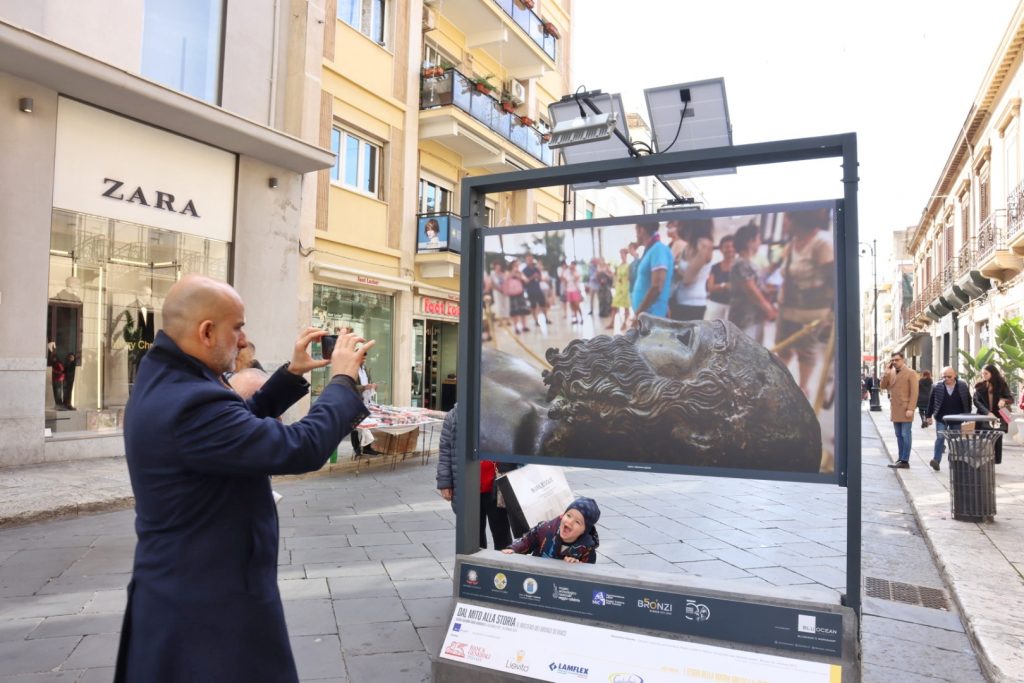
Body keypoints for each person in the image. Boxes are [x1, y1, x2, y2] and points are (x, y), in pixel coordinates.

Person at [113, 274, 373, 683]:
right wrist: (342, 382)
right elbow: (298, 447)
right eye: (237, 327)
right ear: (206, 331)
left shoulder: (169, 380)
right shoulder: (191, 402)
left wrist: (289, 375)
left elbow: (236, 427)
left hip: (189, 593)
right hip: (207, 610)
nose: (242, 339)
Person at [773, 209, 835, 397]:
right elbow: (786, 277)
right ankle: (779, 386)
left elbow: (833, 280)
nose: (783, 224)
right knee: (783, 348)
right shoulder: (791, 245)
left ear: (795, 219)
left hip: (813, 311)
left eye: (785, 219)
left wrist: (831, 314)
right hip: (788, 309)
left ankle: (802, 389)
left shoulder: (821, 242)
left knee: (805, 351)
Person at [436, 404, 512, 549]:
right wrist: (445, 482)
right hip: (467, 486)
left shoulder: (499, 412)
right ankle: (476, 570)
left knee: (502, 535)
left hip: (496, 487)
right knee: (473, 539)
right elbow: (445, 450)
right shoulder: (454, 415)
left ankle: (505, 569)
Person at [502, 497, 601, 564]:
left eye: (577, 522)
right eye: (569, 515)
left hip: (562, 587)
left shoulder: (587, 549)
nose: (570, 522)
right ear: (563, 515)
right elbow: (527, 540)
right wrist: (514, 549)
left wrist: (577, 565)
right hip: (538, 575)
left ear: (584, 530)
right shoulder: (545, 529)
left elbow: (588, 572)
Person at [727, 222, 776, 344]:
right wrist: (768, 308)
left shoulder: (748, 263)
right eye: (758, 238)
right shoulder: (741, 263)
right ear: (750, 241)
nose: (760, 242)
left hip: (753, 317)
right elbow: (750, 289)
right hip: (745, 317)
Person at [924, 367, 971, 471]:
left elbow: (968, 399)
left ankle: (954, 461)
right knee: (940, 438)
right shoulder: (937, 386)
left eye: (949, 376)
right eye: (944, 377)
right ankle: (936, 460)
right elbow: (931, 402)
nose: (946, 379)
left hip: (957, 418)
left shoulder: (962, 385)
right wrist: (928, 416)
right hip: (941, 417)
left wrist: (968, 415)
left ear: (954, 375)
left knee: (955, 440)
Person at [670, 219, 714, 321]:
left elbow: (688, 279)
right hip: (679, 301)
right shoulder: (688, 245)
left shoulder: (704, 244)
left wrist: (677, 270)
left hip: (694, 303)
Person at [881, 352, 919, 469]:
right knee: (898, 435)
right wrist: (886, 373)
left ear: (903, 360)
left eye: (897, 359)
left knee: (905, 434)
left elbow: (914, 392)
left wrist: (911, 408)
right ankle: (900, 458)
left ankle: (905, 460)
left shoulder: (910, 373)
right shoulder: (891, 372)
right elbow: (882, 386)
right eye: (893, 360)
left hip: (906, 408)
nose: (894, 362)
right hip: (895, 408)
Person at [631, 222, 673, 318]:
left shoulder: (658, 249)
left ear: (641, 230)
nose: (636, 236)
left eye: (636, 231)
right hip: (648, 317)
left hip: (652, 317)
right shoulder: (651, 250)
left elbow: (657, 287)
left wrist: (638, 315)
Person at [973, 363, 1014, 464]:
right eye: (982, 373)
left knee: (997, 439)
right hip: (984, 416)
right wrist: (987, 413)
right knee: (984, 440)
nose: (984, 375)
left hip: (997, 417)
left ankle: (995, 461)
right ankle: (984, 462)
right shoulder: (980, 386)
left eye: (986, 373)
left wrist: (1004, 400)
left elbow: (1010, 398)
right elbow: (976, 401)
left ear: (993, 373)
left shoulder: (1001, 384)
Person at [704, 235, 735, 321]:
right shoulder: (715, 267)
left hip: (733, 307)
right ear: (721, 249)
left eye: (733, 246)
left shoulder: (740, 267)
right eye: (726, 247)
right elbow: (710, 287)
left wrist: (719, 287)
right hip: (715, 305)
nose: (730, 249)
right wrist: (725, 286)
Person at [608, 247, 632, 331]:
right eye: (620, 254)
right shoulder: (619, 265)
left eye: (622, 254)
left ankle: (625, 323)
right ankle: (611, 323)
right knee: (614, 306)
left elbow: (630, 277)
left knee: (626, 307)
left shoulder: (628, 266)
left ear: (626, 255)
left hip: (625, 288)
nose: (621, 255)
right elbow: (616, 276)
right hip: (618, 288)